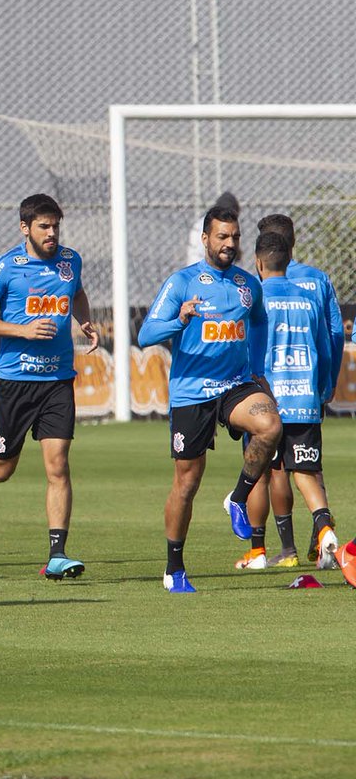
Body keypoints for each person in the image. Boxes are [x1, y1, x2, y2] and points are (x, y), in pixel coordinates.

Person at [0, 194, 98, 581]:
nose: (51, 234)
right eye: (43, 227)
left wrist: (84, 321)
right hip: (15, 382)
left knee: (58, 465)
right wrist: (23, 330)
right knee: (2, 469)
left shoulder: (70, 262)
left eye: (55, 227)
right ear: (24, 228)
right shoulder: (5, 267)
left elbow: (77, 293)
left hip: (57, 382)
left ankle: (57, 554)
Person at [136, 204, 280, 593]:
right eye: (221, 236)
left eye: (234, 236)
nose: (229, 243)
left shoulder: (248, 285)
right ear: (205, 239)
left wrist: (259, 370)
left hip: (234, 385)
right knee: (187, 482)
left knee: (271, 426)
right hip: (192, 393)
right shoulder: (183, 283)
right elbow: (146, 334)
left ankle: (238, 497)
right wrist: (178, 321)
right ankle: (174, 567)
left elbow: (261, 321)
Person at [236, 214, 342, 569]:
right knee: (307, 471)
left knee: (266, 472)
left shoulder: (253, 295)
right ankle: (323, 526)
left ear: (259, 260)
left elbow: (245, 347)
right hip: (305, 397)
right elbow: (328, 342)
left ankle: (264, 550)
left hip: (266, 401)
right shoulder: (310, 294)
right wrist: (325, 384)